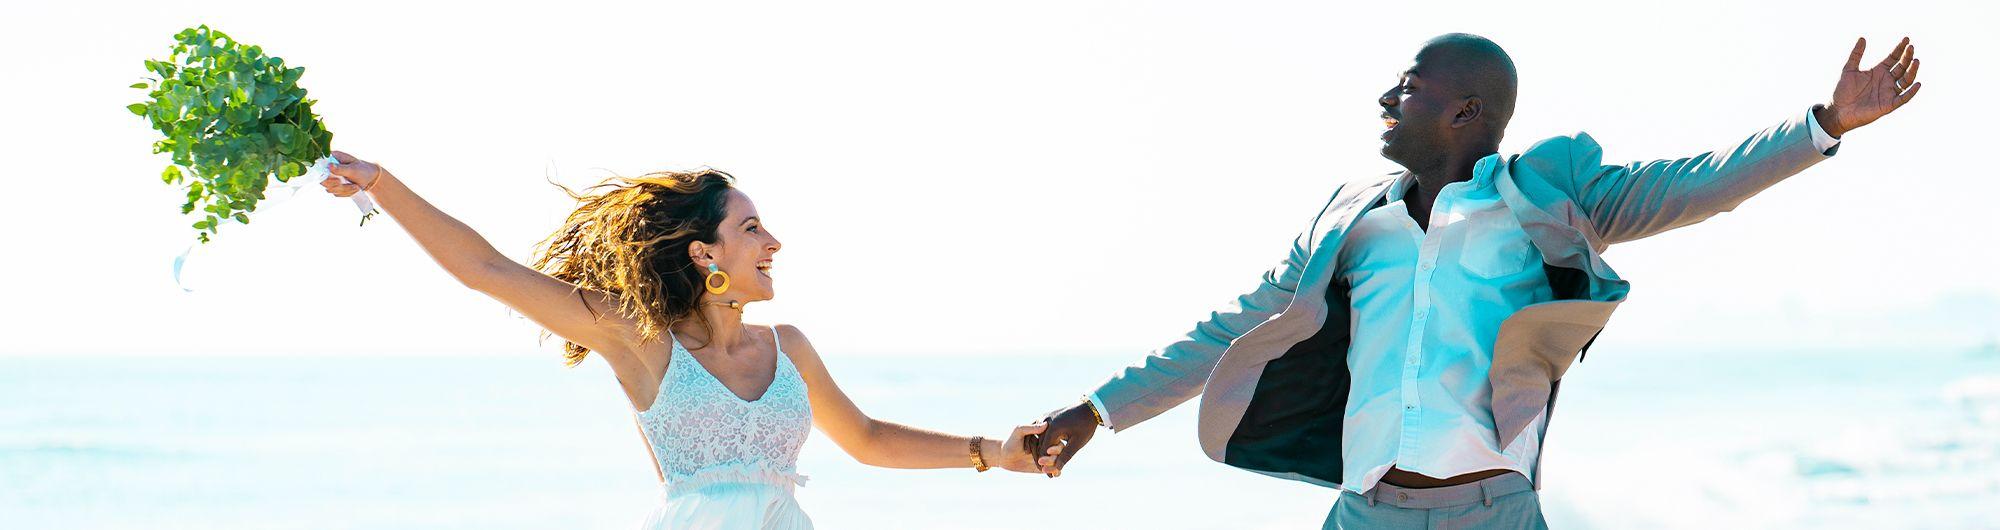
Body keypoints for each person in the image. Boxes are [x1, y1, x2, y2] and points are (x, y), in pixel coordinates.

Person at [1030, 33, 1921, 529]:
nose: (1388, 98)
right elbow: (1228, 329)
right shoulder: (1351, 220)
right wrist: (1097, 411)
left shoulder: (1547, 195)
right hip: (1366, 511)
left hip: (1492, 516)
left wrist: (1825, 123)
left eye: (1409, 86)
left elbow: (1695, 185)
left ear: (1466, 111)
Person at [315, 159, 1057, 529]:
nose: (774, 242)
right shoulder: (640, 342)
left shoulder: (788, 347)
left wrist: (994, 451)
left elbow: (863, 437)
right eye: (751, 229)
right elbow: (486, 269)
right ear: (705, 256)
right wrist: (382, 183)